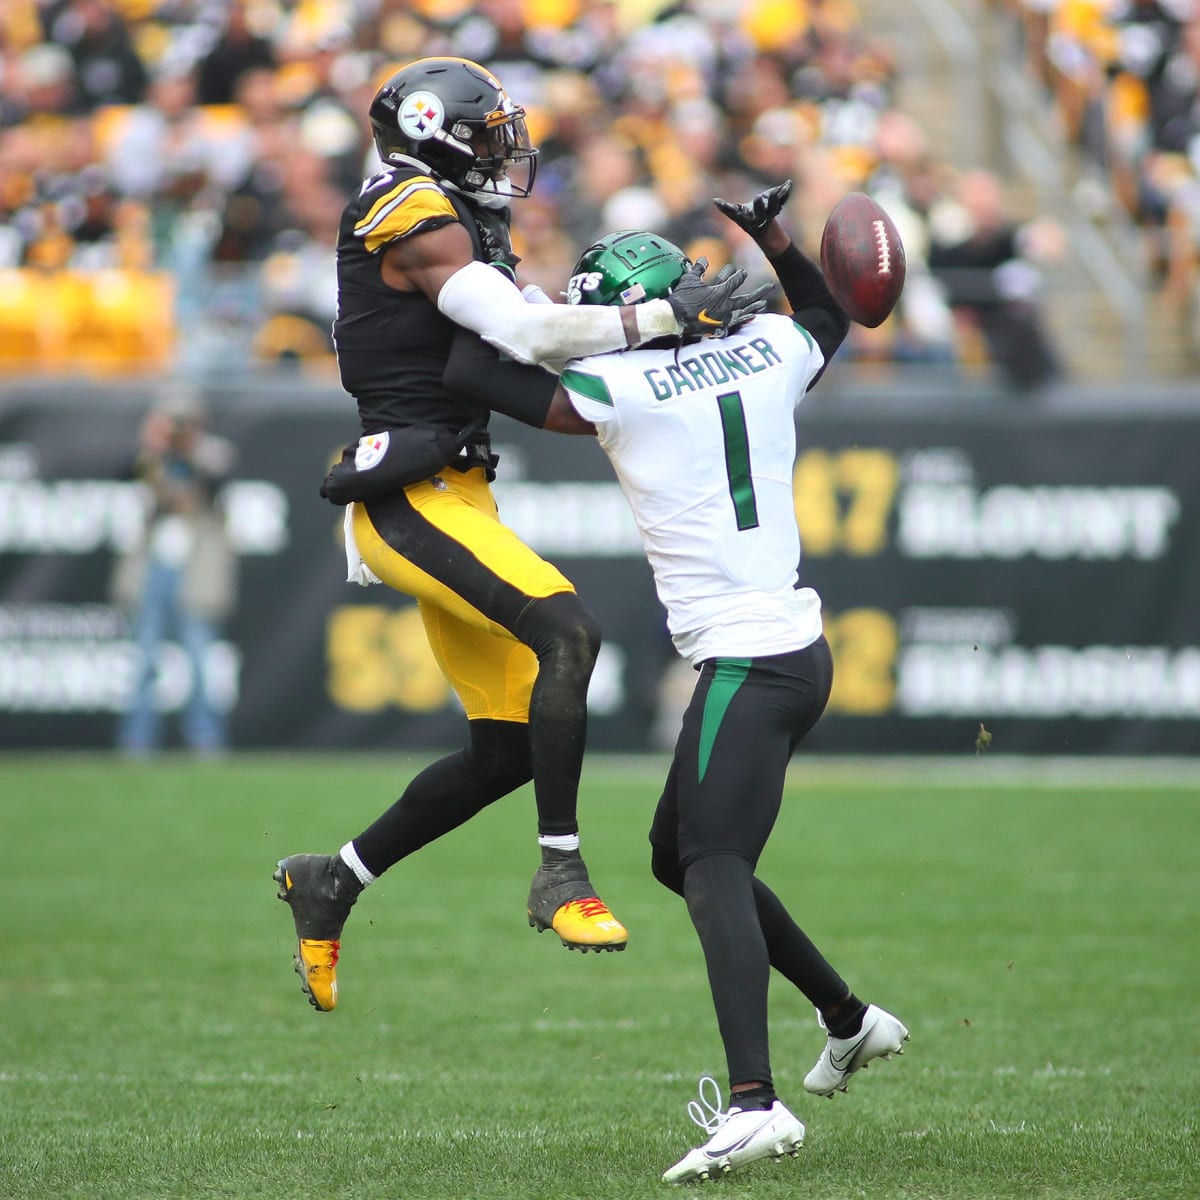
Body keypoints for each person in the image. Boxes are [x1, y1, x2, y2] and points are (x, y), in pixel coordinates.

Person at [272, 56, 759, 1014]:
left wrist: (671, 345)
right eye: (489, 133)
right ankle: (562, 876)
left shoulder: (458, 222)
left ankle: (332, 879)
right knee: (568, 632)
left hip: (458, 492)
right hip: (407, 496)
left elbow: (536, 363)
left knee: (504, 748)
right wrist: (659, 314)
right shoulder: (405, 208)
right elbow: (529, 335)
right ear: (430, 132)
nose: (507, 152)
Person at [506, 183, 910, 1182]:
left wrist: (455, 299)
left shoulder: (628, 392)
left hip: (749, 659)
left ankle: (755, 1103)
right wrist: (773, 237)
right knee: (671, 854)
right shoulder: (770, 351)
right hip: (788, 652)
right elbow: (826, 313)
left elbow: (498, 378)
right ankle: (849, 1019)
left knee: (713, 862)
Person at [112, 392, 237, 756]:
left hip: (195, 568)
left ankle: (206, 742)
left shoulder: (212, 453)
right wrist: (152, 445)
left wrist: (189, 446)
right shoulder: (152, 457)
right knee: (145, 655)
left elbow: (217, 479)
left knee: (199, 656)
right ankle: (136, 742)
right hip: (155, 565)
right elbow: (120, 472)